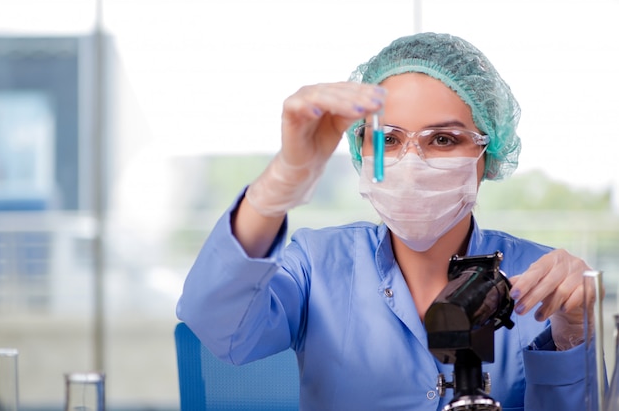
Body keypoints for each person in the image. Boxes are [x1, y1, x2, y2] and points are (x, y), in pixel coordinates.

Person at [177, 32, 596, 410]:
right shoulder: (316, 265)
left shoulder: (541, 281)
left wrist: (572, 332)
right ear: (362, 152)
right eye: (388, 139)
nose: (410, 162)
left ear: (488, 157)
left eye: (443, 139)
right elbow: (218, 326)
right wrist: (279, 183)